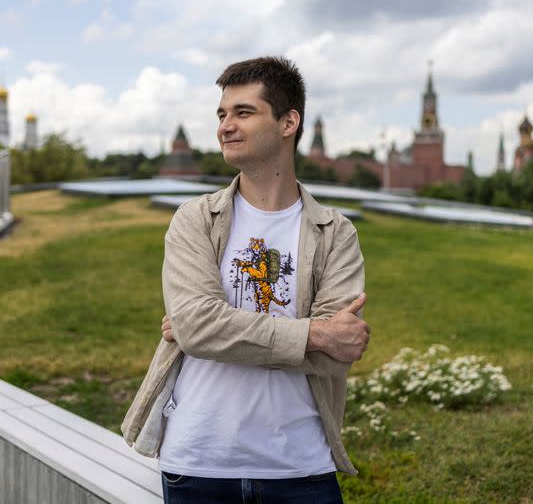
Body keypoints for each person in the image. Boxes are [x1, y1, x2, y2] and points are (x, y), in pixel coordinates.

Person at [122, 56, 370, 503]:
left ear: (288, 122)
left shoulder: (336, 233)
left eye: (243, 112)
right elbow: (199, 328)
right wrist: (313, 334)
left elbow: (340, 352)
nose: (225, 126)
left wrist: (216, 329)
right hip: (198, 463)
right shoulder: (194, 220)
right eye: (221, 114)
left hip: (301, 467)